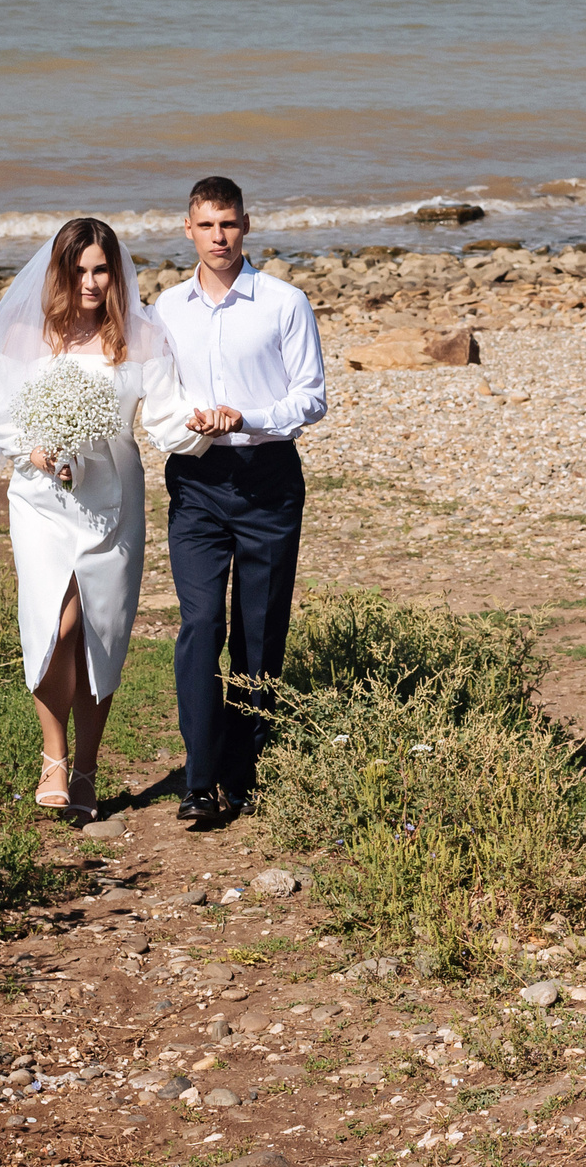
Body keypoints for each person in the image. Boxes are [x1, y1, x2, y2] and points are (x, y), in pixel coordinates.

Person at [0, 216, 212, 819]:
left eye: (100, 269)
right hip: (40, 499)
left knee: (100, 629)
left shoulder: (140, 337)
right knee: (55, 627)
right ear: (59, 271)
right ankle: (53, 756)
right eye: (78, 270)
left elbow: (163, 418)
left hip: (113, 500)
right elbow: (1, 417)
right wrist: (36, 452)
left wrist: (201, 425)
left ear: (115, 272)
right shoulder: (29, 337)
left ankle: (86, 767)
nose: (90, 282)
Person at [152, 176, 328, 825]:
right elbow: (156, 392)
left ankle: (247, 774)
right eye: (206, 225)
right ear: (189, 229)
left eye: (228, 224)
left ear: (246, 225)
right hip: (195, 482)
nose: (218, 237)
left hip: (268, 479)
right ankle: (199, 781)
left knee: (259, 635)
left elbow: (312, 397)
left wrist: (245, 417)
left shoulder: (284, 302)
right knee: (202, 625)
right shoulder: (165, 309)